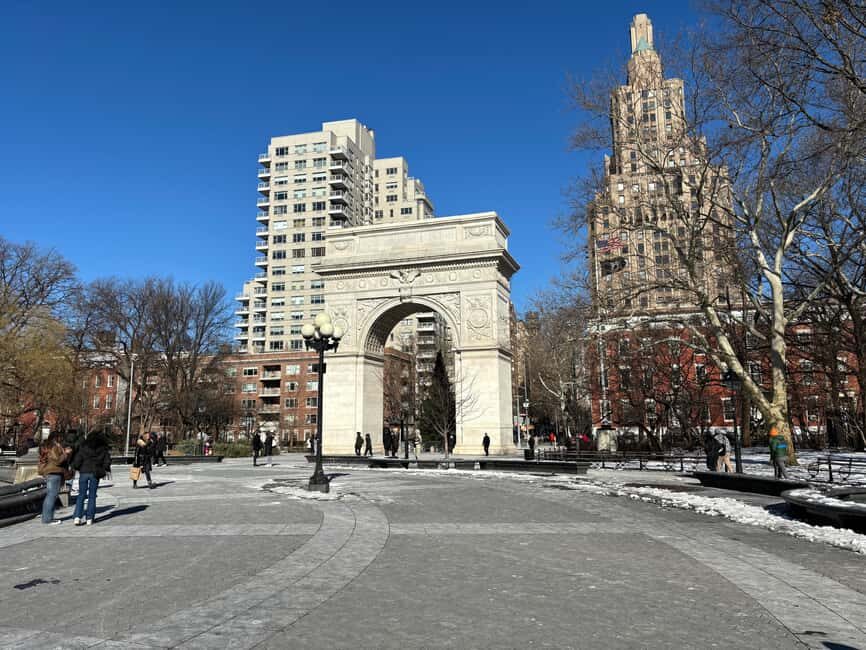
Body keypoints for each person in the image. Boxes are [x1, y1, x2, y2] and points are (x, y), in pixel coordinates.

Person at [70, 430, 111, 525]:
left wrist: (76, 467)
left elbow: (77, 460)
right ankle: (89, 518)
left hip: (84, 472)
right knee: (92, 496)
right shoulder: (103, 448)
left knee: (81, 495)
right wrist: (104, 468)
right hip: (95, 473)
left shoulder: (83, 447)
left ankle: (77, 517)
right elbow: (107, 461)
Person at [38, 432, 72, 525]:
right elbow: (57, 460)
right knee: (52, 495)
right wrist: (65, 453)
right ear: (56, 437)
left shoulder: (48, 446)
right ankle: (47, 519)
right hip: (54, 473)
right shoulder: (54, 446)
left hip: (50, 473)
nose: (61, 439)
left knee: (50, 495)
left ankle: (48, 518)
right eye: (60, 437)